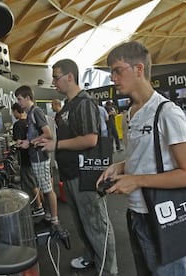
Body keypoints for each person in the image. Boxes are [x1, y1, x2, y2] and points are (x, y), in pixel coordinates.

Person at [98, 41, 186, 275]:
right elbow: (148, 155)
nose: (113, 78)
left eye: (117, 70)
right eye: (111, 71)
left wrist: (136, 180)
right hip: (136, 214)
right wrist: (121, 166)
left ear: (139, 69)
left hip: (164, 216)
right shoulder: (128, 115)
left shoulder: (167, 112)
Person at [38, 59, 118, 276]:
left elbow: (90, 139)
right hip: (71, 174)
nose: (53, 82)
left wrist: (56, 144)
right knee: (82, 222)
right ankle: (91, 257)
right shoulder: (68, 106)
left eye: (56, 77)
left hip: (86, 175)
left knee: (96, 223)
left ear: (70, 77)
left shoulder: (84, 103)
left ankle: (108, 269)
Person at [14, 85, 62, 230]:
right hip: (36, 156)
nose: (19, 102)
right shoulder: (30, 114)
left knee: (47, 189)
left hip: (41, 157)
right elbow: (36, 136)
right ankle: (48, 217)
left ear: (28, 98)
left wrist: (30, 142)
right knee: (44, 188)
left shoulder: (36, 112)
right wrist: (27, 142)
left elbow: (48, 134)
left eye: (20, 99)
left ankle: (54, 220)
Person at [11, 103, 44, 216]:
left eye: (13, 112)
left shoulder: (17, 125)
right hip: (34, 157)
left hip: (25, 158)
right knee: (35, 181)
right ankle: (41, 203)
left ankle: (39, 207)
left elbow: (18, 141)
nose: (13, 114)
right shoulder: (28, 122)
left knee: (31, 183)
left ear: (16, 111)